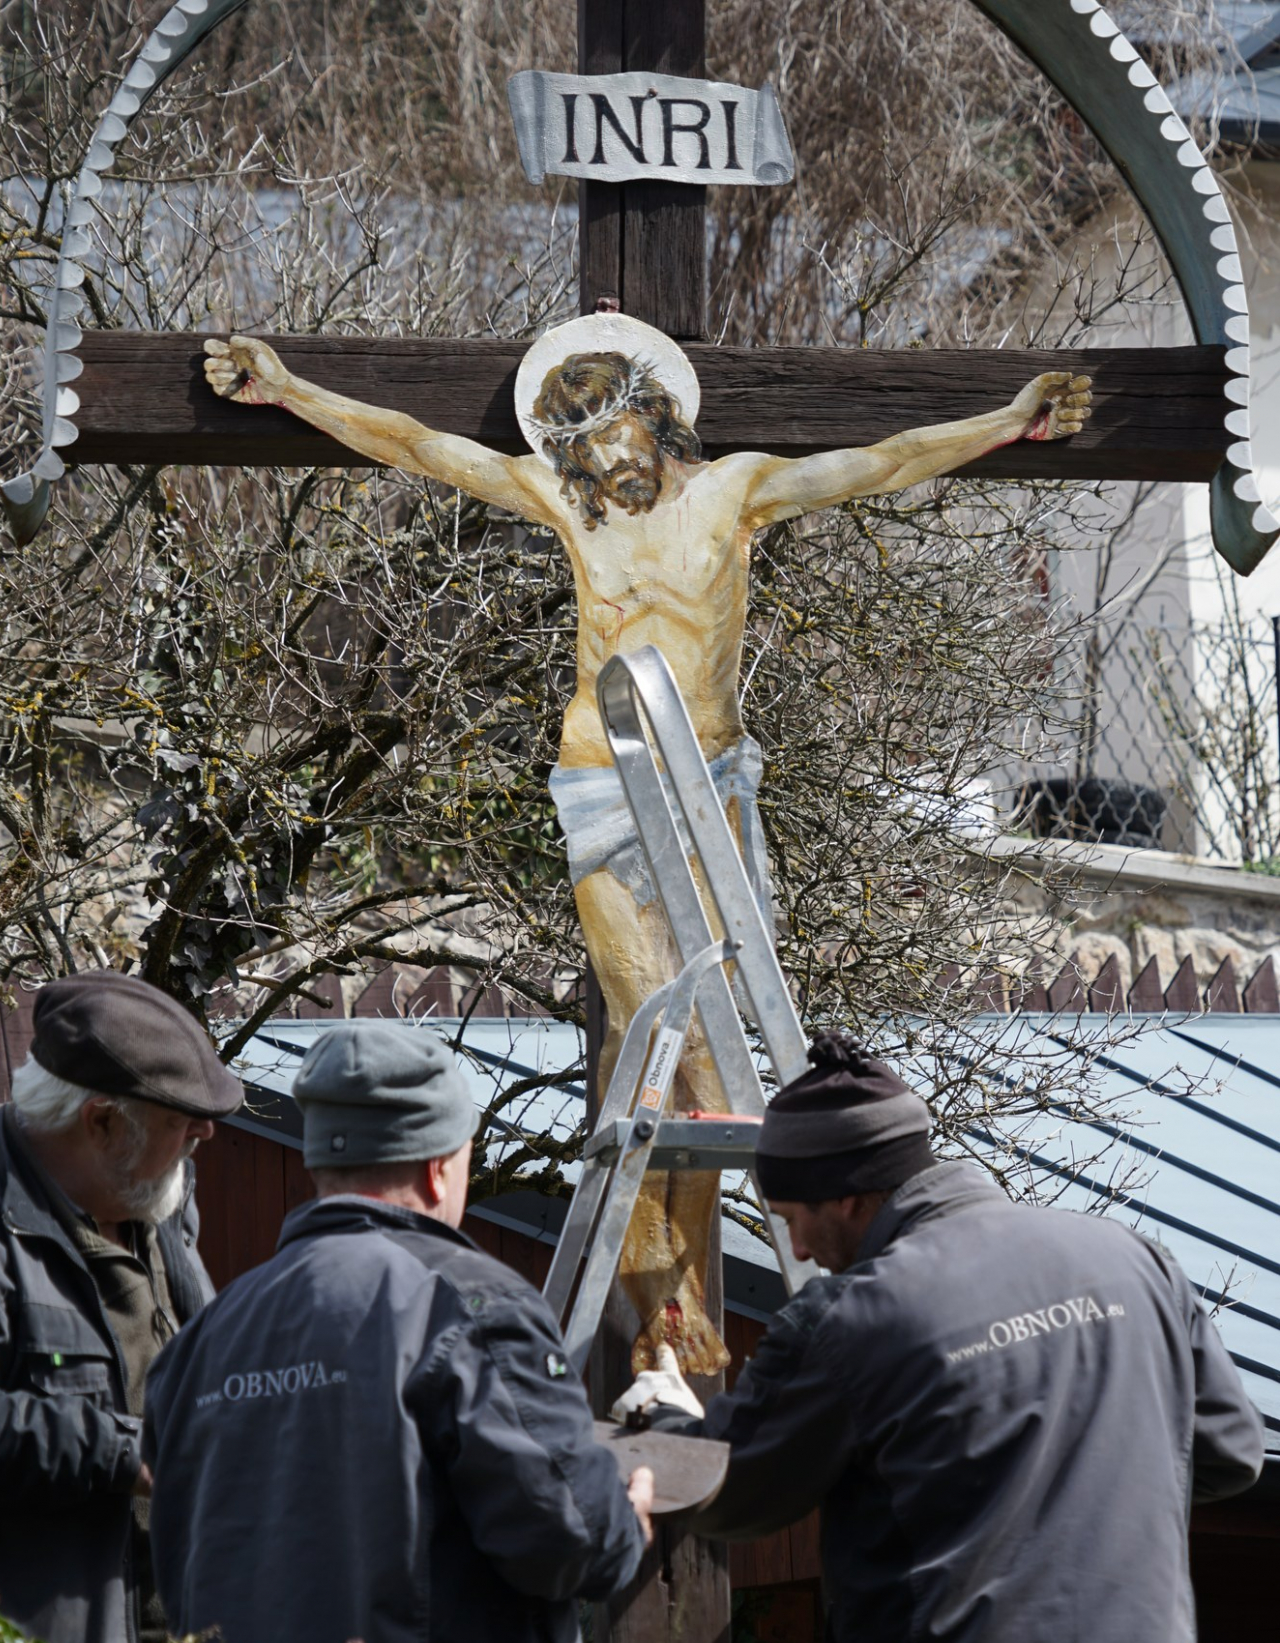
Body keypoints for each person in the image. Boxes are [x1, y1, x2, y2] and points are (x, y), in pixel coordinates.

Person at [202, 314, 1092, 1382]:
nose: (604, 460)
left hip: (710, 785)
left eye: (616, 433)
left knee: (712, 1061)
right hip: (602, 784)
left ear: (655, 415)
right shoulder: (566, 509)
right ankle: (662, 1328)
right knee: (639, 1033)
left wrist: (1006, 420)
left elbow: (885, 461)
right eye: (581, 445)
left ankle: (693, 1314)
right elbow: (413, 444)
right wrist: (292, 388)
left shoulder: (736, 491)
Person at [615, 1032, 1265, 1643]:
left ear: (851, 1196)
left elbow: (740, 1491)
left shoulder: (860, 1315)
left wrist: (666, 1426)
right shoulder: (1135, 1258)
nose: (795, 1245)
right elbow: (1228, 1454)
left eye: (794, 1216)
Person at [145, 1022, 652, 1643]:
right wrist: (627, 1518)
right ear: (439, 1165)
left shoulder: (207, 1333)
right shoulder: (472, 1303)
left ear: (321, 1162)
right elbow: (567, 1532)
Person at [0, 971, 242, 1643]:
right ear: (103, 1121)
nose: (204, 1132)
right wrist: (121, 1450)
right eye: (179, 1119)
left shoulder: (159, 1207)